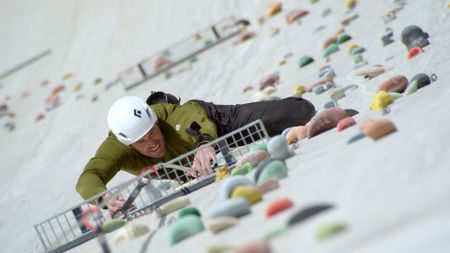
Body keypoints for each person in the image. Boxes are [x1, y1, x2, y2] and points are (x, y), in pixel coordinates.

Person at [76, 92, 315, 213]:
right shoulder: (117, 148)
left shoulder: (169, 118)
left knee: (301, 111)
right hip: (179, 167)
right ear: (128, 145)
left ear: (155, 120)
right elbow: (88, 178)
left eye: (153, 132)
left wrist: (204, 144)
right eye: (142, 141)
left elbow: (197, 122)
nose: (153, 142)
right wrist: (105, 199)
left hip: (212, 124)